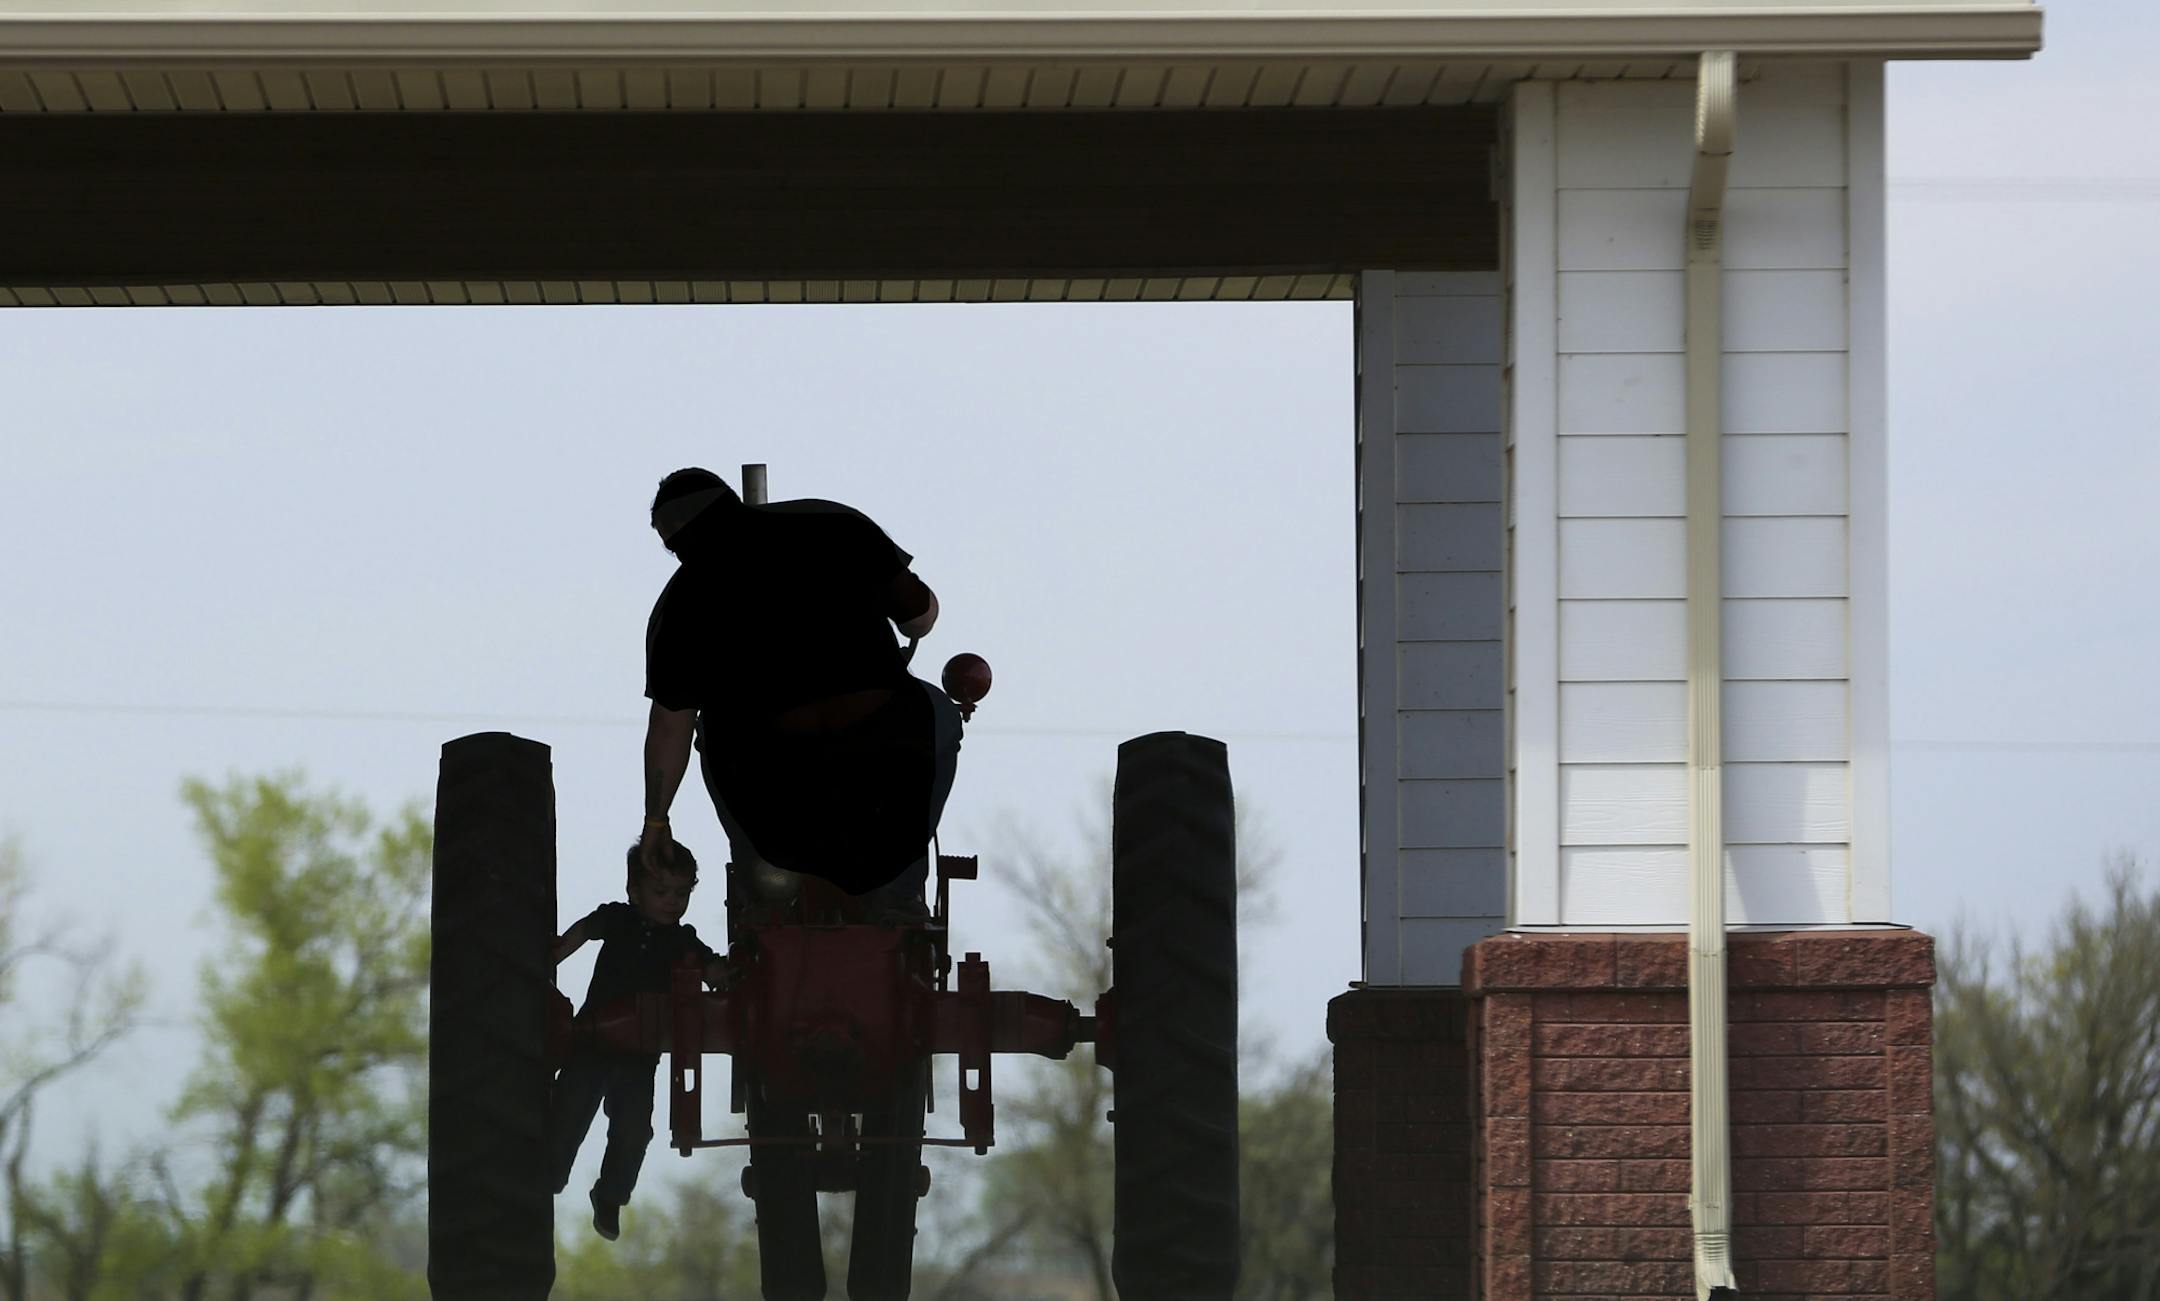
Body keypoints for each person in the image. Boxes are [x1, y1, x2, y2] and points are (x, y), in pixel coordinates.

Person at [636, 466, 963, 918]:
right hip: (883, 736)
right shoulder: (837, 524)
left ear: (675, 535)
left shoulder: (679, 603)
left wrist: (656, 819)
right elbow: (920, 619)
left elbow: (670, 727)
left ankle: (767, 893)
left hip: (767, 767)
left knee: (709, 736)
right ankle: (900, 891)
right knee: (940, 714)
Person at [549, 839, 731, 1241]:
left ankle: (611, 1196)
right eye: (660, 892)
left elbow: (712, 968)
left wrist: (726, 973)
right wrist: (554, 955)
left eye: (681, 893)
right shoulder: (618, 919)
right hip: (590, 1046)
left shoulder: (683, 942)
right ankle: (546, 1181)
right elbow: (584, 929)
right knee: (568, 1113)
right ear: (633, 891)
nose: (672, 902)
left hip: (638, 1058)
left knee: (634, 1131)